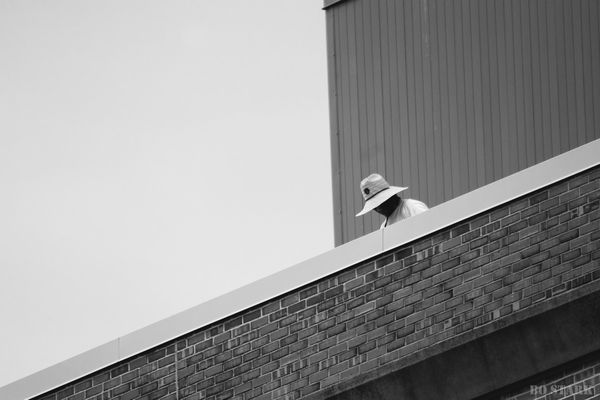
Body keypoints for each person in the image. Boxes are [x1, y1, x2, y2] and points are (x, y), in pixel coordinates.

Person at [356, 173, 429, 229]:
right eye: (374, 206)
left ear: (391, 196)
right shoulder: (383, 227)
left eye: (380, 203)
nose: (378, 208)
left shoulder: (411, 207)